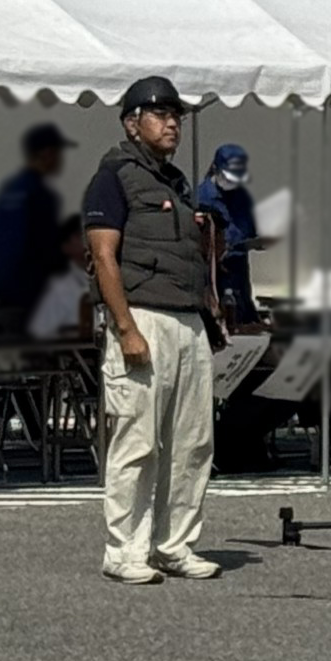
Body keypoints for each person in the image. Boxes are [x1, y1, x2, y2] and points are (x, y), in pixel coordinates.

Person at [82, 76, 219, 584]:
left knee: (192, 442)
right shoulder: (113, 177)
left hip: (187, 319)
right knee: (137, 441)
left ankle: (173, 545)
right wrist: (126, 328)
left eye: (176, 116)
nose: (172, 124)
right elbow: (103, 256)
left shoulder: (176, 183)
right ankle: (124, 550)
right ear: (131, 123)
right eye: (160, 115)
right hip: (142, 316)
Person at [0, 122, 73, 331]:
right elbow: (46, 249)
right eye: (58, 153)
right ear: (47, 154)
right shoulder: (41, 196)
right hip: (32, 304)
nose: (61, 159)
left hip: (0, 301)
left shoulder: (6, 191)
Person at [194, 143, 261, 329]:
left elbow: (250, 229)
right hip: (213, 272)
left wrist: (256, 242)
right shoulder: (201, 197)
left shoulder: (243, 197)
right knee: (216, 318)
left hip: (239, 269)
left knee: (242, 316)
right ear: (216, 169)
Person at [26, 218, 91, 341]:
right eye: (79, 235)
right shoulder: (60, 287)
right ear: (66, 247)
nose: (87, 240)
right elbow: (39, 333)